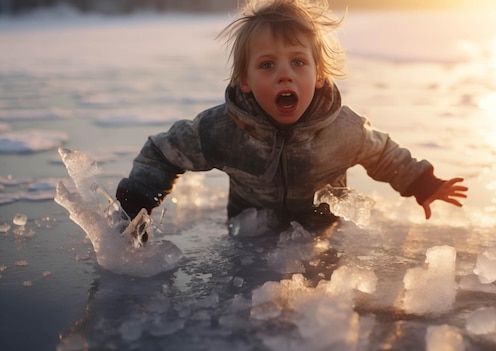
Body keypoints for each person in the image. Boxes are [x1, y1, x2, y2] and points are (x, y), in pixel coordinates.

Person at [115, 0, 467, 237]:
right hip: (249, 233)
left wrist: (422, 183)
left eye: (298, 62)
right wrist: (140, 197)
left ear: (318, 76)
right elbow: (163, 151)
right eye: (268, 65)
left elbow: (383, 153)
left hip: (321, 234)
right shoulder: (223, 130)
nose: (285, 75)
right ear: (246, 82)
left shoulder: (342, 129)